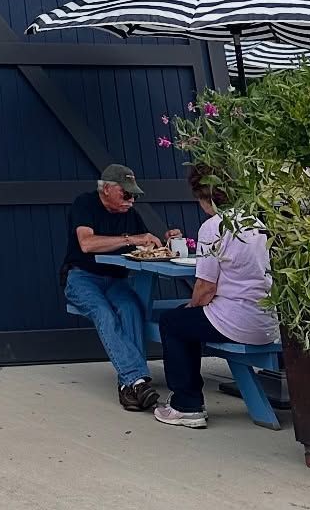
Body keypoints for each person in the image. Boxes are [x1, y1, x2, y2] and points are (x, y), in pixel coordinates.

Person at [154, 164, 279, 430]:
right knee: (185, 319)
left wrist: (191, 306)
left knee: (172, 322)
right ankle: (187, 398)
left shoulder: (213, 227)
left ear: (205, 197)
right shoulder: (255, 222)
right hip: (267, 321)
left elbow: (206, 289)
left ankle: (186, 405)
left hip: (237, 321)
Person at [61, 162, 180, 410]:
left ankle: (130, 386)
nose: (131, 200)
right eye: (126, 194)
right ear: (107, 189)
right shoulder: (85, 204)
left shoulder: (130, 214)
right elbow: (87, 244)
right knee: (103, 312)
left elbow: (149, 244)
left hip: (116, 280)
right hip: (82, 277)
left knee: (131, 308)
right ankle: (136, 379)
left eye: (134, 194)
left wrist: (166, 240)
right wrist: (130, 239)